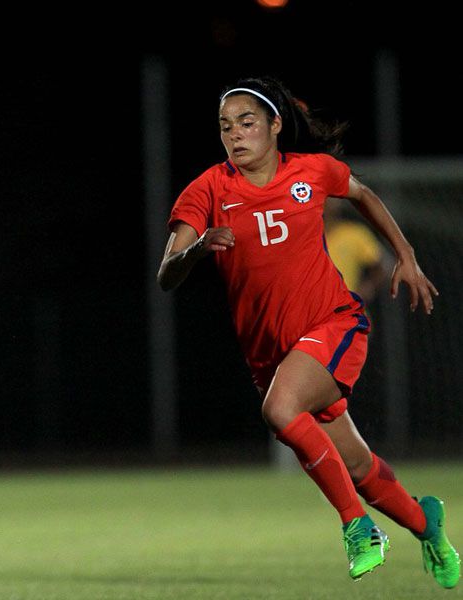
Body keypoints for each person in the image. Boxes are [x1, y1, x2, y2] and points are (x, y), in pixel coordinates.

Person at [157, 77, 459, 587]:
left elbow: (364, 195)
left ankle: (358, 528)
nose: (235, 134)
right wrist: (197, 248)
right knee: (360, 467)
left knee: (279, 411)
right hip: (269, 354)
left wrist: (405, 256)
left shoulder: (311, 171)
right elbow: (166, 273)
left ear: (275, 125)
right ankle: (427, 524)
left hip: (333, 324)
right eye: (225, 126)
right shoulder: (207, 189)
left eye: (247, 122)